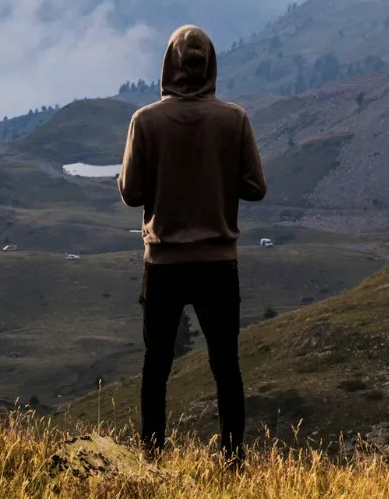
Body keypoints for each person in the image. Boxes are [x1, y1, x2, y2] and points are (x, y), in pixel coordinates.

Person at [118, 24, 267, 462]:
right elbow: (255, 187)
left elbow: (130, 193)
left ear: (168, 63)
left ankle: (152, 458)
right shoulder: (233, 120)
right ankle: (233, 460)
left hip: (163, 263)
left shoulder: (145, 121)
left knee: (155, 367)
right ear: (211, 66)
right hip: (218, 262)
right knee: (226, 367)